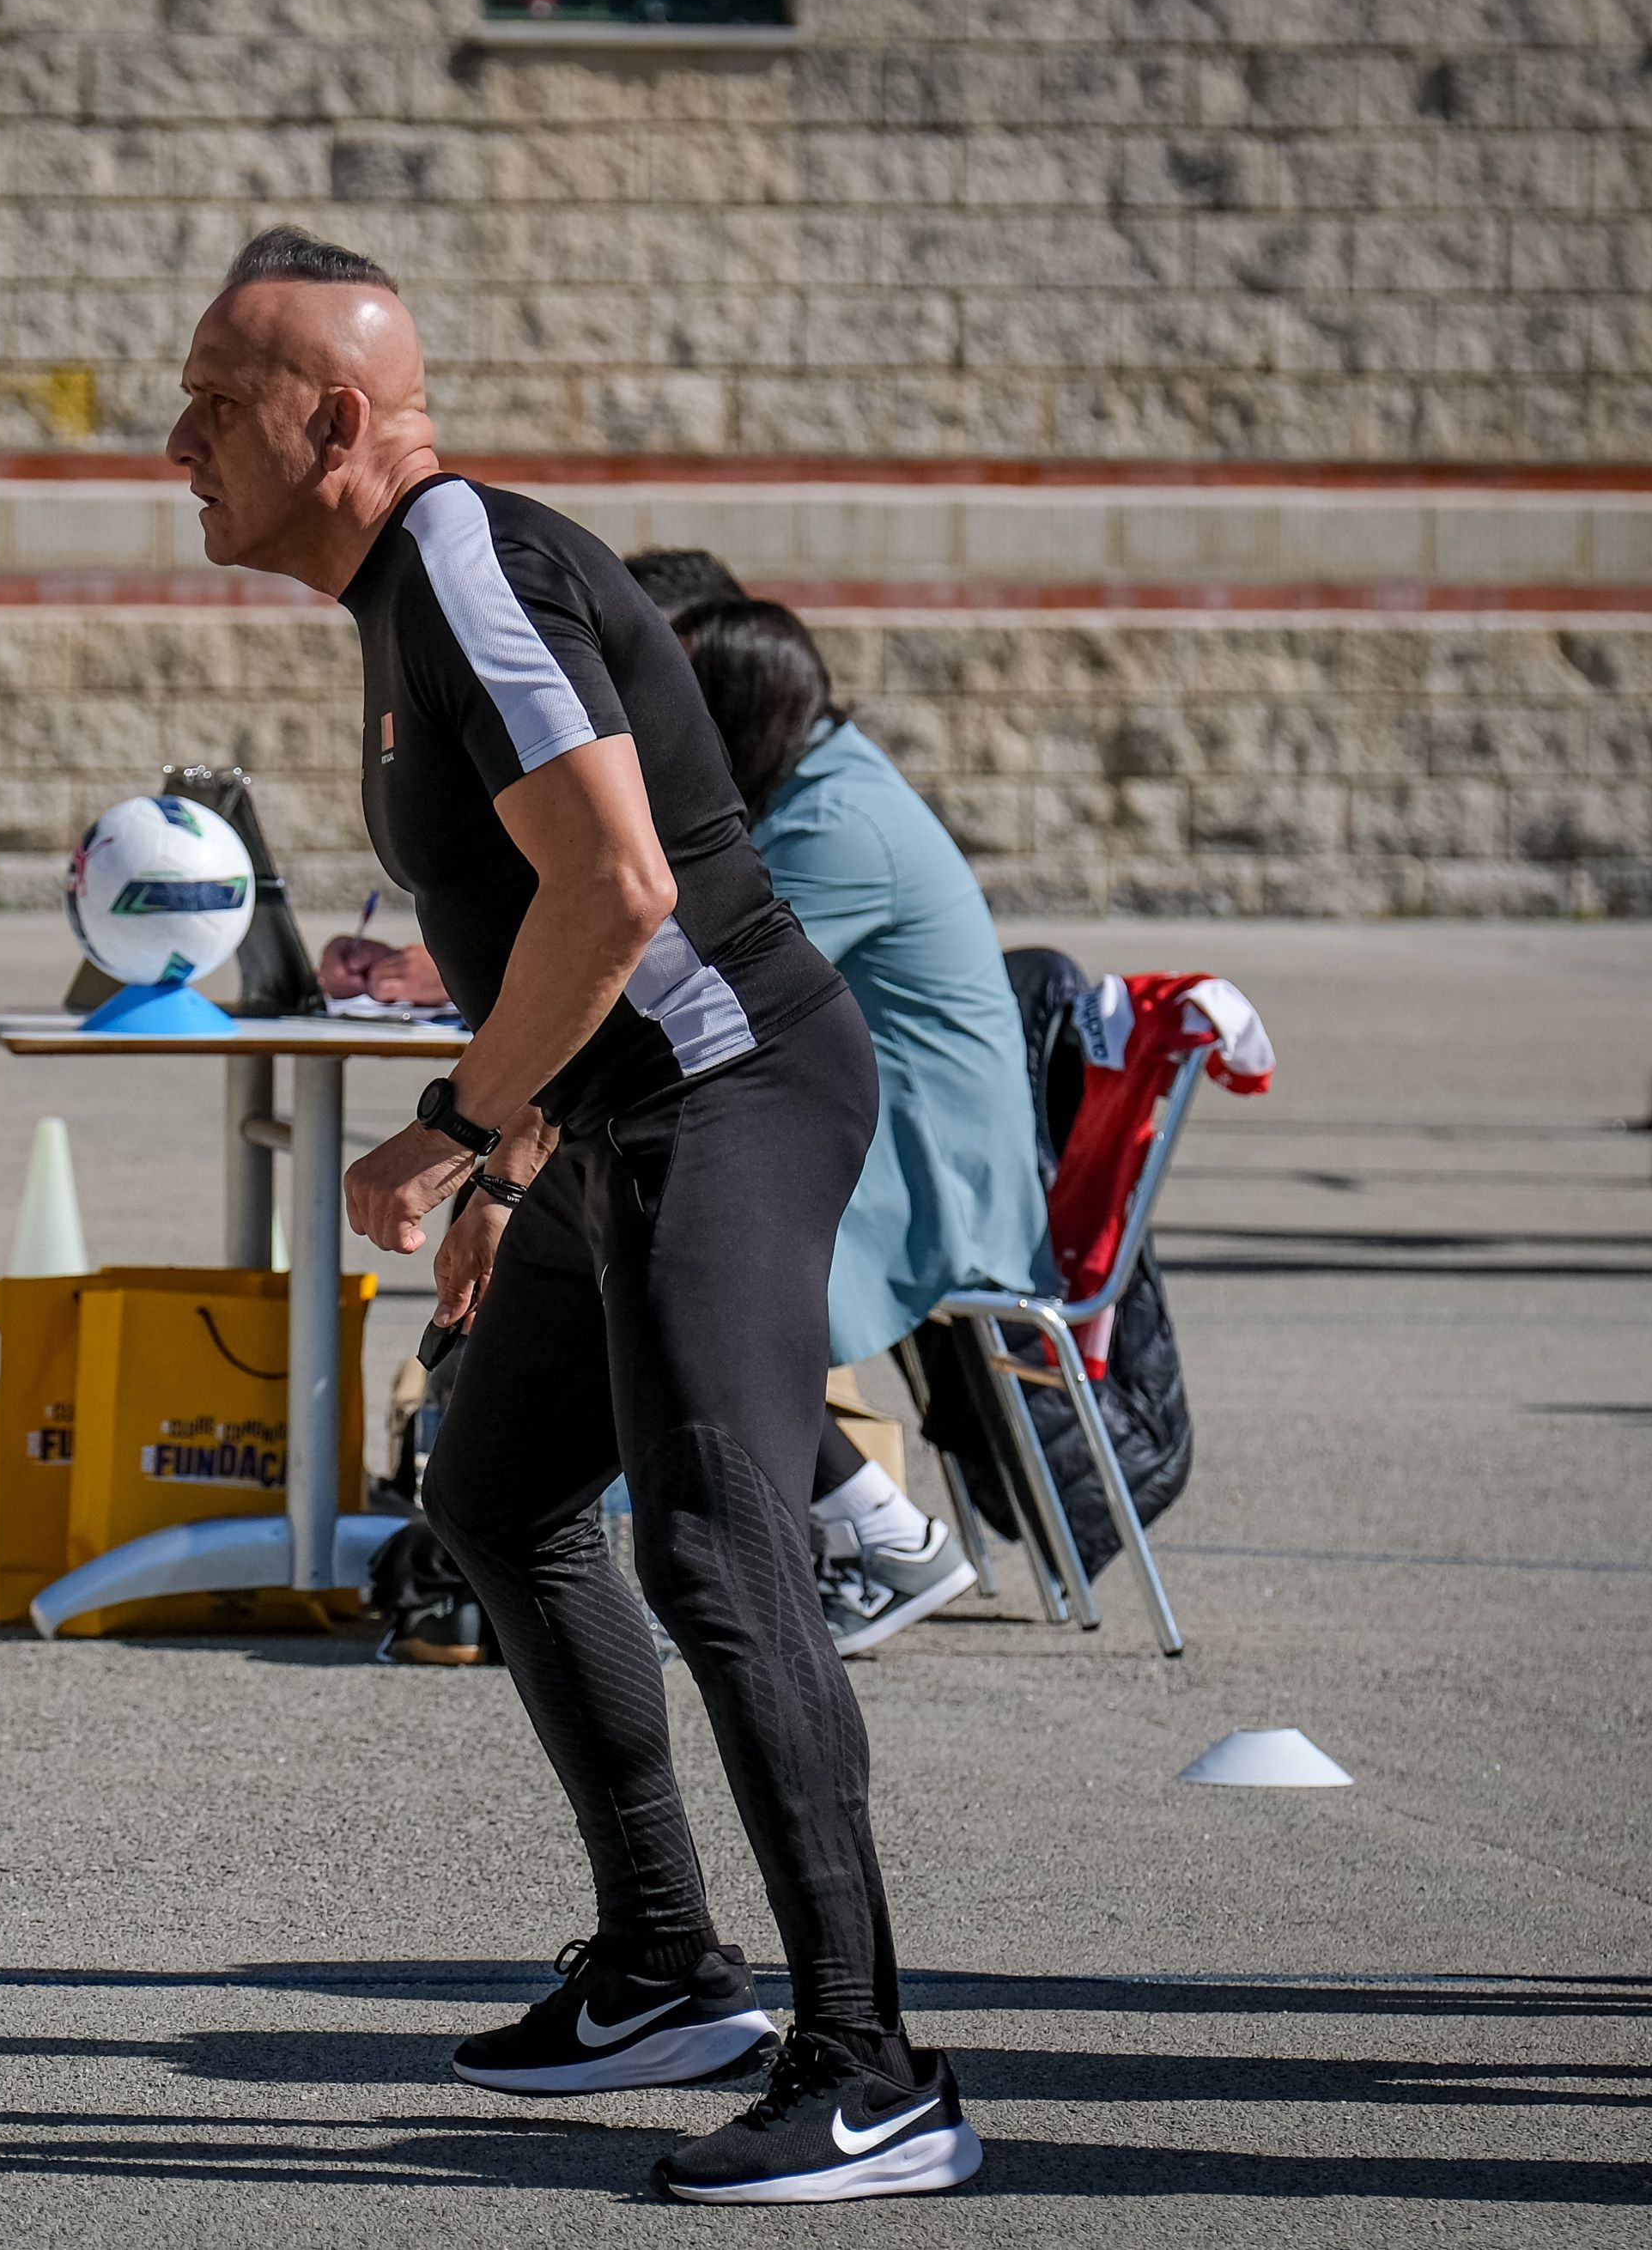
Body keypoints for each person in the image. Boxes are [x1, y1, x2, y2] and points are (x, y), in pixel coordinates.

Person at [167, 226, 978, 2204]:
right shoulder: (399, 590)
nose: (172, 443)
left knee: (717, 1552)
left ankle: (871, 2074)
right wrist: (520, 1160)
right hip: (623, 1112)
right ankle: (660, 1965)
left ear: (335, 421)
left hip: (731, 1093)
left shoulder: (460, 565)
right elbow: (548, 913)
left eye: (211, 405)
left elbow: (617, 894)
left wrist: (454, 1127)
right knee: (497, 1489)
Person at [643, 585, 1047, 1656]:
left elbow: (700, 982)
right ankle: (812, 1531)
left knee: (668, 1264)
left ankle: (879, 1536)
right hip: (871, 1129)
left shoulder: (837, 824)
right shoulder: (814, 791)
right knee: (638, 1238)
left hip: (919, 1168)